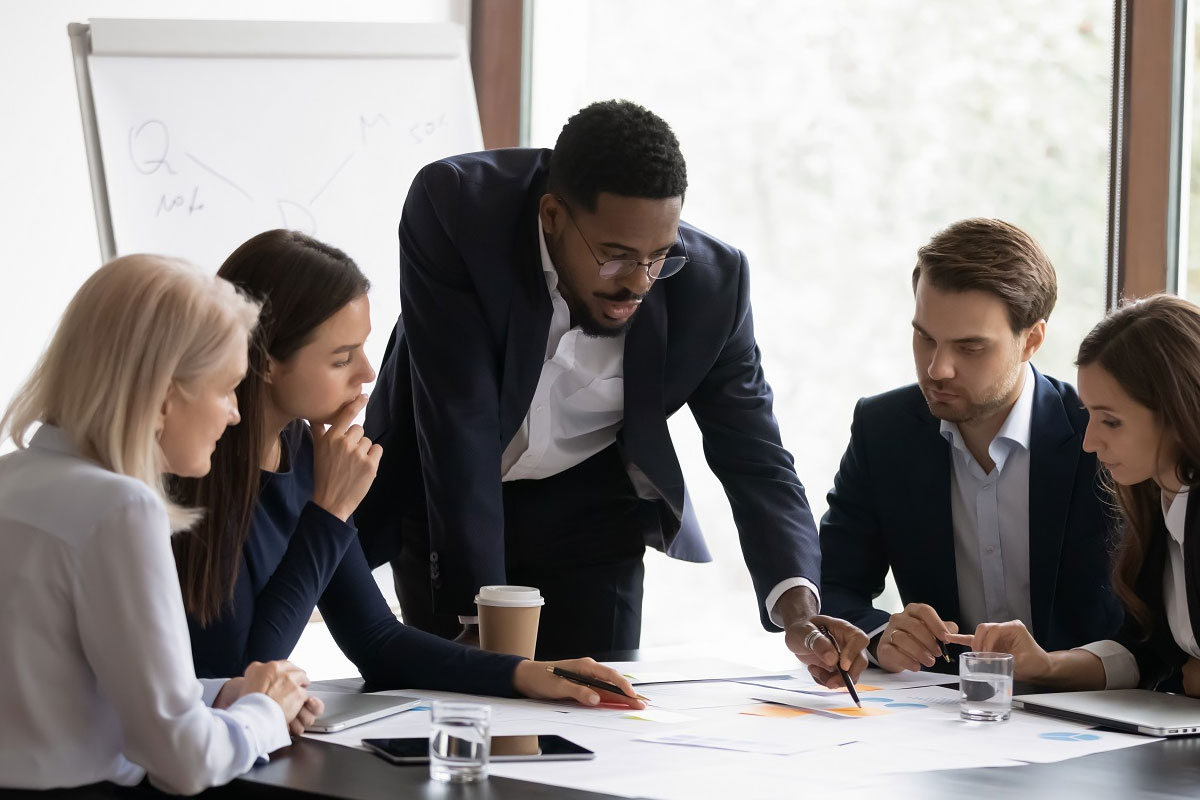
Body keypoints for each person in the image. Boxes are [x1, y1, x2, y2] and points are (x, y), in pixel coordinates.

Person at [357, 98, 866, 685]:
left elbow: (755, 455)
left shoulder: (712, 286)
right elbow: (458, 418)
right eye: (616, 256)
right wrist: (480, 618)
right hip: (449, 497)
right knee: (459, 711)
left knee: (599, 715)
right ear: (552, 216)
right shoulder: (457, 210)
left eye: (659, 257)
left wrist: (801, 613)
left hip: (591, 512)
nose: (638, 283)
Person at [172, 229, 644, 707]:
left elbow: (376, 640)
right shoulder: (192, 471)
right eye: (341, 359)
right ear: (266, 361)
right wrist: (330, 511)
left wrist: (527, 674)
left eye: (361, 348)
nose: (368, 373)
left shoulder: (306, 451)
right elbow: (239, 678)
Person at [0, 255, 315, 795]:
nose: (236, 413)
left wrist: (220, 694)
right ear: (166, 394)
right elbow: (185, 762)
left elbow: (74, 694)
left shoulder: (13, 478)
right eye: (226, 388)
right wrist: (266, 711)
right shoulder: (120, 508)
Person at [819, 219, 1121, 673]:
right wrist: (881, 637)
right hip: (940, 712)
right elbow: (832, 583)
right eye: (925, 338)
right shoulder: (883, 429)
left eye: (970, 347)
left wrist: (1055, 668)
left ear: (1032, 340)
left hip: (1084, 709)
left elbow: (1148, 626)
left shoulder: (1099, 436)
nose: (938, 368)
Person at [947, 294, 1200, 695]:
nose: (1089, 442)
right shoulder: (1157, 504)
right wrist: (1045, 665)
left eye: (1111, 422)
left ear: (1180, 411)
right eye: (1090, 416)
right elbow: (1145, 652)